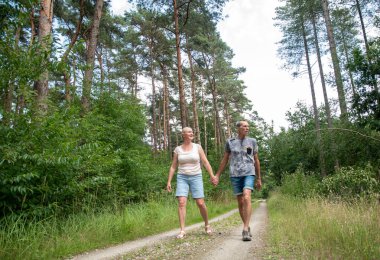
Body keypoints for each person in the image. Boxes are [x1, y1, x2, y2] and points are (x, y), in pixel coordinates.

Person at [212, 120, 262, 241]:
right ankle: (247, 225)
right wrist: (217, 174)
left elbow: (256, 160)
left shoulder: (252, 141)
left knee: (246, 196)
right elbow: (225, 159)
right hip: (235, 174)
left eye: (248, 126)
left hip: (249, 173)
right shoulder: (230, 142)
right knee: (240, 202)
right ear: (238, 128)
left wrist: (259, 178)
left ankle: (245, 229)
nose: (247, 128)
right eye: (244, 126)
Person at [167, 127, 215, 239]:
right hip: (182, 177)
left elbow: (205, 162)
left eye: (192, 131)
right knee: (182, 202)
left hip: (196, 176)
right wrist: (169, 181)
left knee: (200, 203)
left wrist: (212, 175)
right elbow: (174, 166)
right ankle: (182, 230)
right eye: (188, 132)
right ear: (183, 134)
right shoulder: (178, 149)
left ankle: (207, 224)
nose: (191, 133)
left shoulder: (197, 147)